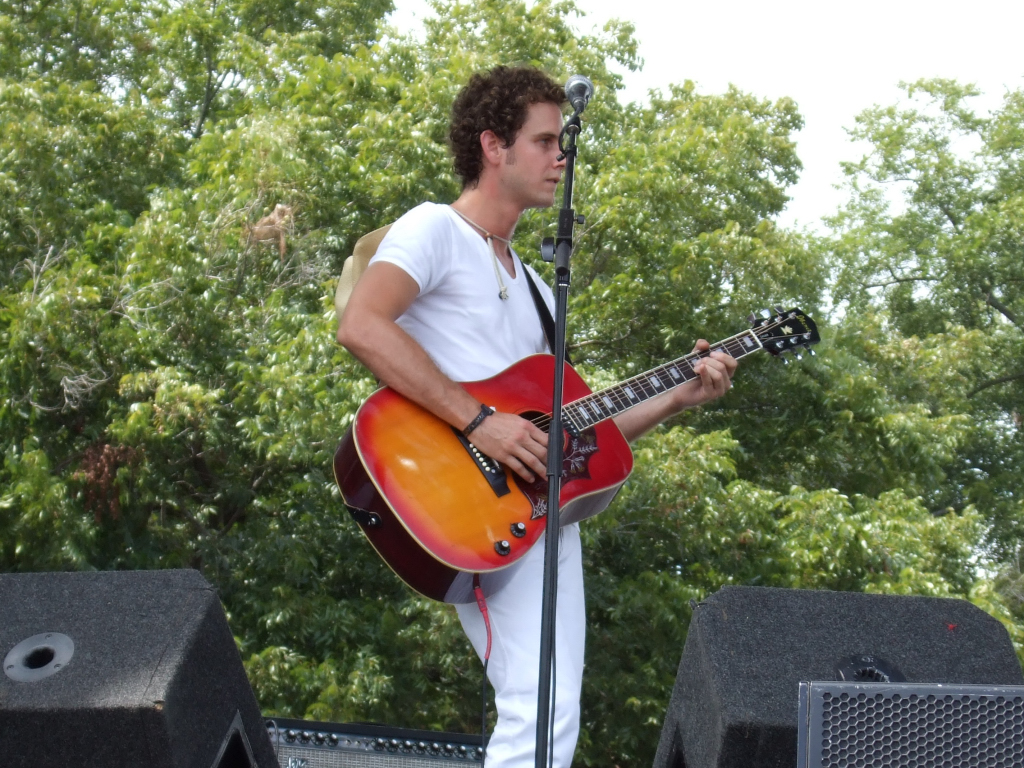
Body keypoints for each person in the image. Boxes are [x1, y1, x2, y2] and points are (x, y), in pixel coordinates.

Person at [336, 65, 738, 768]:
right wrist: (479, 422)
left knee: (552, 710)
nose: (561, 159)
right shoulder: (434, 228)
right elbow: (362, 325)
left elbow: (575, 433)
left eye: (562, 144)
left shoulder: (537, 289)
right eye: (545, 141)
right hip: (468, 497)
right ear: (493, 146)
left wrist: (677, 396)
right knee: (539, 705)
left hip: (535, 502)